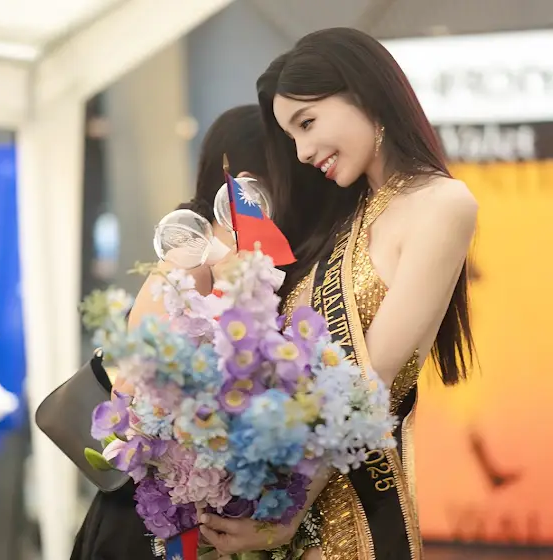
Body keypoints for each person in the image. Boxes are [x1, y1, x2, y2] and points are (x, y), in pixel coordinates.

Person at [196, 28, 478, 560]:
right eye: (291, 137)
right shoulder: (342, 219)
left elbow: (372, 381)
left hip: (354, 525)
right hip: (284, 519)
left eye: (307, 123)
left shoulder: (442, 204)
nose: (302, 152)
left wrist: (287, 513)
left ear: (364, 94)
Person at [71, 104, 271, 560]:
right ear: (248, 181)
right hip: (156, 515)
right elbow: (138, 390)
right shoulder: (194, 260)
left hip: (188, 505)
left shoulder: (236, 259)